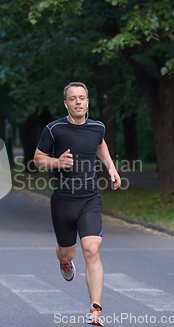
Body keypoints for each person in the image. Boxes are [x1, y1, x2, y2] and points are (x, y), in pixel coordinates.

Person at [34, 82, 121, 326]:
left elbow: (100, 143)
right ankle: (63, 260)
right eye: (73, 99)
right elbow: (38, 159)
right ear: (66, 103)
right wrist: (57, 162)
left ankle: (95, 310)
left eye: (82, 98)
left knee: (92, 250)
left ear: (87, 102)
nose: (78, 102)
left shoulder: (98, 127)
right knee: (68, 251)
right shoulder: (54, 129)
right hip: (63, 201)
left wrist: (111, 168)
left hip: (89, 200)